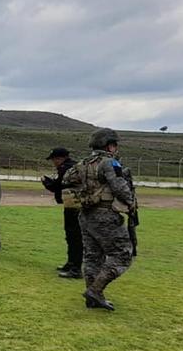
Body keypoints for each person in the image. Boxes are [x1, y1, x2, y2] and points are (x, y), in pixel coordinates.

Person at [63, 128, 135, 311]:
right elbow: (119, 186)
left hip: (86, 215)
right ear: (110, 146)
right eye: (115, 145)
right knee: (122, 254)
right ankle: (95, 291)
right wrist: (131, 202)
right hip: (106, 215)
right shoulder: (110, 162)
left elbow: (67, 178)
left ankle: (93, 298)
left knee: (92, 256)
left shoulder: (83, 163)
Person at [41, 147, 84, 279]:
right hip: (76, 204)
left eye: (54, 159)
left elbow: (58, 186)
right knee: (72, 236)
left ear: (59, 158)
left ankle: (75, 268)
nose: (53, 162)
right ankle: (71, 263)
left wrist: (47, 183)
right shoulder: (74, 167)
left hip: (73, 205)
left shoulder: (66, 168)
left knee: (74, 236)